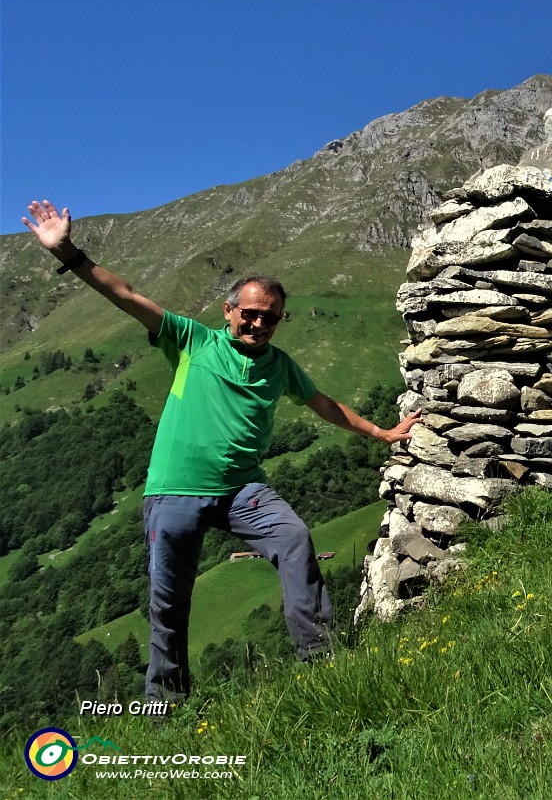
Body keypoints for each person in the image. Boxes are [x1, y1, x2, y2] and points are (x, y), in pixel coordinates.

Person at [22, 199, 420, 702]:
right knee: (168, 602)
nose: (257, 325)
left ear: (280, 321)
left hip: (242, 490)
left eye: (269, 319)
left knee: (295, 538)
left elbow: (324, 403)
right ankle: (165, 705)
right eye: (249, 314)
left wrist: (384, 433)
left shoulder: (280, 364)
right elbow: (124, 294)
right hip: (174, 491)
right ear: (228, 311)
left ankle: (323, 666)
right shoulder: (192, 342)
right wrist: (70, 253)